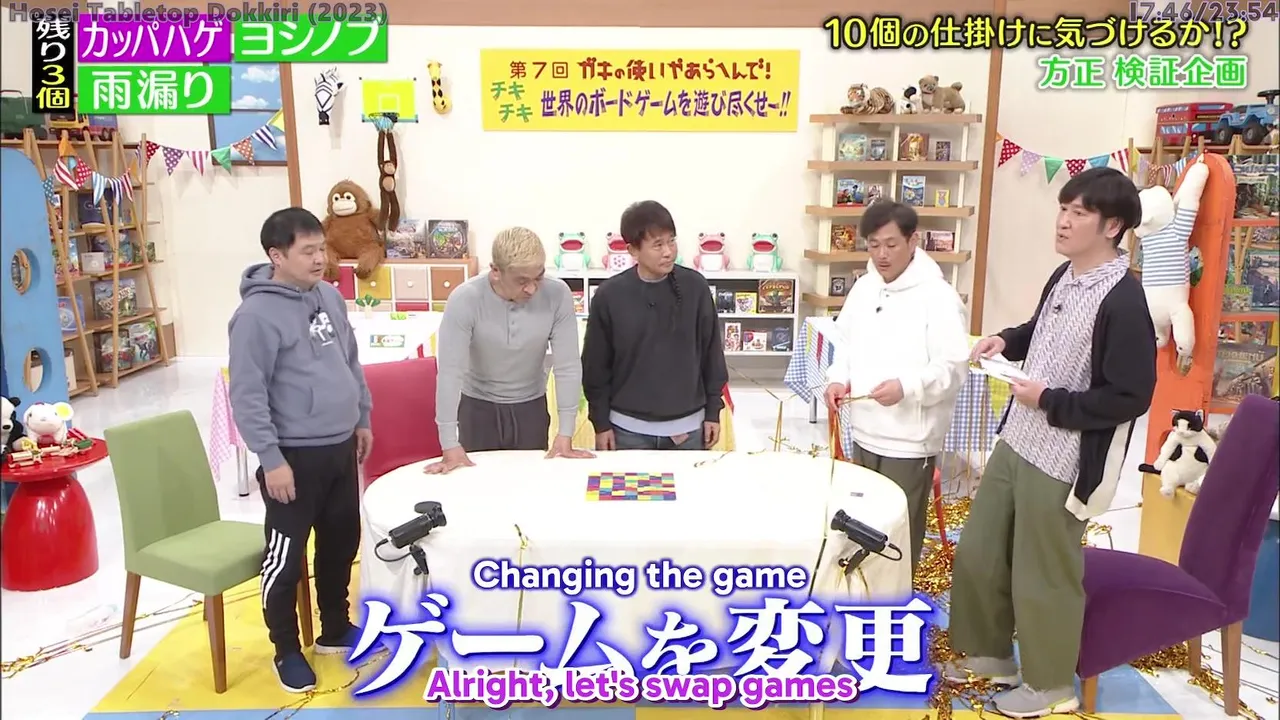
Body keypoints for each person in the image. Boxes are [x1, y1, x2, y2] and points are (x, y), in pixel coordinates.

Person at [943, 167, 1156, 718]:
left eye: (1079, 212)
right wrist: (1005, 340)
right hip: (1018, 437)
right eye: (1063, 208)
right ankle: (991, 654)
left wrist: (1052, 401)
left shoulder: (1124, 301)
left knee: (1044, 572)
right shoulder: (1065, 273)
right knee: (982, 550)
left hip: (1064, 459)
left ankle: (1050, 683)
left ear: (1112, 226)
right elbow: (1042, 329)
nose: (1063, 221)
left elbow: (1130, 396)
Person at [229, 208, 374, 693]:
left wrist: (362, 416)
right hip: (292, 457)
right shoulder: (254, 318)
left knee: (341, 543)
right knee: (285, 560)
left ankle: (335, 628)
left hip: (339, 447)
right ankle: (286, 650)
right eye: (307, 251)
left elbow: (350, 361)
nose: (319, 259)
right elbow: (247, 395)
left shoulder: (328, 296)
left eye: (321, 249)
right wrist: (270, 459)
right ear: (277, 256)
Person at [822, 202, 969, 574]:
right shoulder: (865, 287)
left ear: (913, 240)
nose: (882, 255)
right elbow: (845, 344)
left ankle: (896, 593)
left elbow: (953, 367)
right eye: (873, 245)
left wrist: (907, 387)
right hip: (864, 429)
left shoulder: (938, 296)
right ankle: (861, 589)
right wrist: (838, 378)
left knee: (898, 529)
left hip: (910, 439)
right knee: (862, 518)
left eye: (891, 244)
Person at [425, 227, 594, 473]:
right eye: (522, 281)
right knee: (478, 484)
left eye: (538, 277)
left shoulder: (558, 295)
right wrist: (449, 443)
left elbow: (567, 367)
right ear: (495, 272)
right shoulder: (465, 299)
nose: (532, 289)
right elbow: (450, 373)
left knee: (528, 482)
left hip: (530, 409)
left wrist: (565, 433)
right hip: (478, 408)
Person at [582, 201, 728, 451]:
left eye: (672, 241)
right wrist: (601, 423)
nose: (668, 252)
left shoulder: (696, 288)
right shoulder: (609, 296)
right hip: (627, 431)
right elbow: (595, 366)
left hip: (689, 430)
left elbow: (711, 353)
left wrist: (713, 411)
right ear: (633, 250)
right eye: (657, 245)